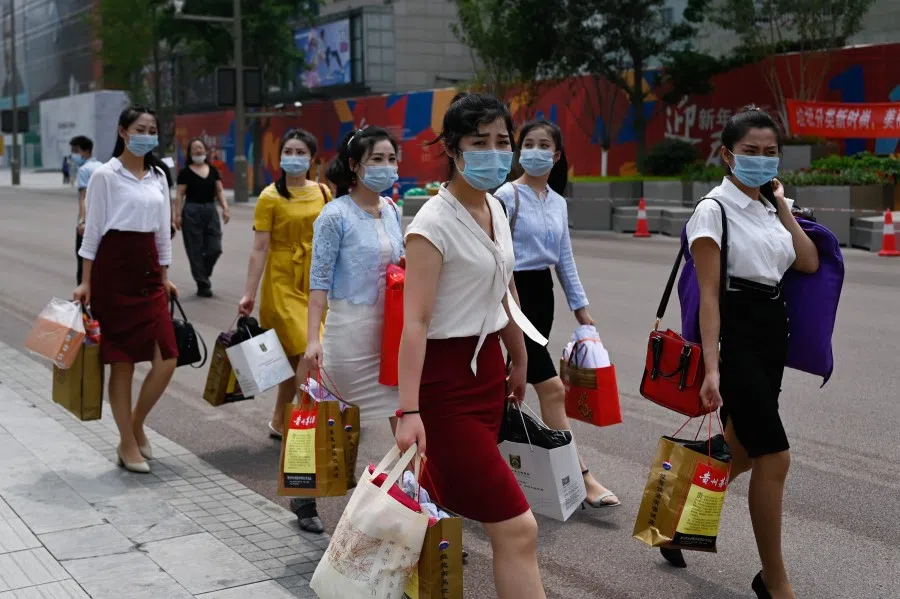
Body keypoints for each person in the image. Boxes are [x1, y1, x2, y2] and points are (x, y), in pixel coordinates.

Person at [661, 106, 819, 599]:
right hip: (734, 336)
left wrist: (783, 206)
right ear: (728, 155)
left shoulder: (771, 207)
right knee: (775, 456)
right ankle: (773, 580)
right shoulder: (713, 210)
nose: (762, 160)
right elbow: (709, 296)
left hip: (772, 332)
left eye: (771, 153)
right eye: (750, 152)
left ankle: (674, 517)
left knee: (743, 448)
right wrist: (711, 368)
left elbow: (808, 262)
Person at [395, 92, 547, 599]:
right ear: (454, 149)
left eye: (502, 141)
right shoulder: (431, 225)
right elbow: (414, 323)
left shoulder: (496, 208)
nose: (494, 152)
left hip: (487, 380)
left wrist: (520, 353)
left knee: (427, 516)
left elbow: (502, 289)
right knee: (518, 528)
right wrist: (408, 410)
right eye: (479, 141)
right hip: (443, 389)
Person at [493, 120, 620, 509]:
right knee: (551, 388)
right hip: (511, 295)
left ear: (557, 154)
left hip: (541, 295)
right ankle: (582, 478)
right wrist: (508, 302)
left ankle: (488, 467)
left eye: (543, 144)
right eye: (527, 144)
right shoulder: (505, 196)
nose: (534, 150)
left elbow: (564, 259)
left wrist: (582, 310)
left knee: (503, 388)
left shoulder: (558, 201)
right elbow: (498, 255)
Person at [301, 126, 404, 532]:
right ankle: (304, 495)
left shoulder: (394, 210)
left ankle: (408, 513)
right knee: (337, 428)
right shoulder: (334, 215)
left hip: (391, 333)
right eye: (376, 159)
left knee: (408, 423)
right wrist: (313, 339)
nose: (386, 167)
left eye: (391, 159)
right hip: (347, 333)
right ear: (354, 166)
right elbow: (319, 281)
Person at [73, 105, 178, 474]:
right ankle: (127, 443)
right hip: (113, 273)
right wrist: (85, 280)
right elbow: (94, 230)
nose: (147, 134)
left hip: (149, 270)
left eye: (152, 128)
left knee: (167, 358)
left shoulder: (159, 176)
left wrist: (165, 276)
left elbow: (163, 232)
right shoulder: (105, 175)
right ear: (122, 131)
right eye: (140, 128)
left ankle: (133, 426)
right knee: (122, 364)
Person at [237, 128, 331, 448]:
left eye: (300, 152)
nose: (293, 157)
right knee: (309, 347)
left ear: (312, 158)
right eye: (287, 151)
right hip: (281, 282)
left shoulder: (322, 192)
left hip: (315, 282)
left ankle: (280, 419)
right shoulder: (269, 196)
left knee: (295, 361)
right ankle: (306, 424)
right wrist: (249, 292)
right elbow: (259, 247)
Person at [174, 138, 230, 297]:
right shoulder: (185, 172)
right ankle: (202, 283)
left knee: (215, 248)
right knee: (195, 248)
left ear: (205, 150)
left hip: (210, 210)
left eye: (200, 148)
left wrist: (225, 208)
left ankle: (203, 272)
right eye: (194, 148)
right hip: (191, 210)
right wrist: (177, 215)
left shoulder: (212, 170)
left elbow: (219, 191)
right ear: (190, 153)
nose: (198, 151)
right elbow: (179, 195)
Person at [71, 135, 103, 285]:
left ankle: (84, 298)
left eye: (76, 151)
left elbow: (83, 197)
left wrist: (82, 221)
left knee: (83, 259)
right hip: (103, 221)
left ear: (86, 151)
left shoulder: (84, 170)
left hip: (89, 222)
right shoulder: (102, 166)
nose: (74, 155)